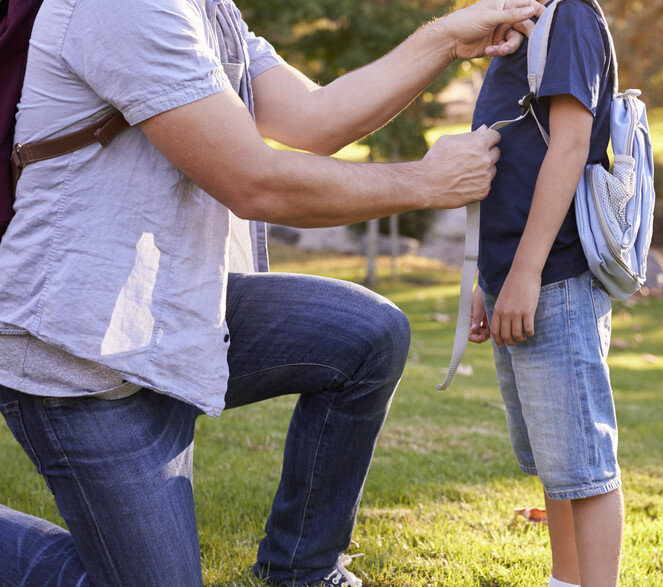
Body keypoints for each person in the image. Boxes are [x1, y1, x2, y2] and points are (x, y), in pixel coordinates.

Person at [0, 0, 544, 584]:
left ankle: (303, 571)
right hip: (81, 352)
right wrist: (424, 181)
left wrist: (442, 40)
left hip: (170, 315)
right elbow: (252, 181)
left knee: (367, 335)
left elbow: (317, 117)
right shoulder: (125, 7)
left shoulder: (205, 10)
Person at [466, 0, 623, 585]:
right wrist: (494, 278)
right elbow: (513, 161)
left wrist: (525, 274)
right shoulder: (525, 32)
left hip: (555, 277)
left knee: (585, 467)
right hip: (522, 277)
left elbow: (569, 147)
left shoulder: (573, 16)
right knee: (559, 467)